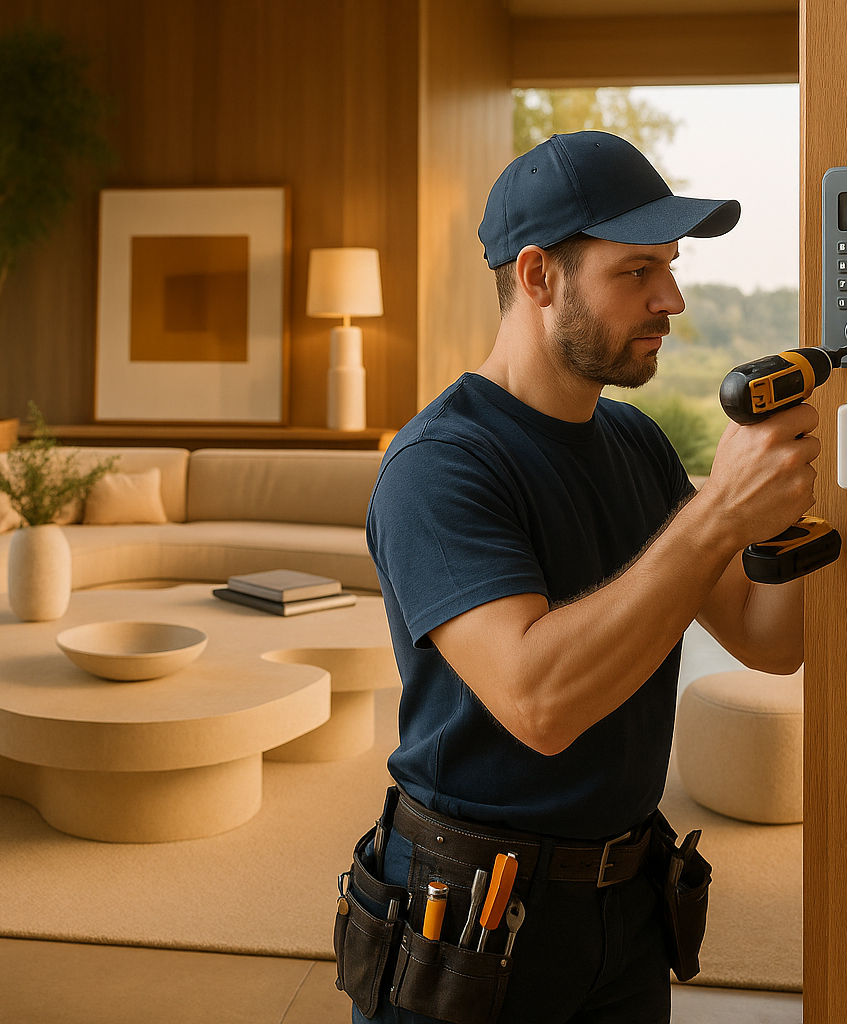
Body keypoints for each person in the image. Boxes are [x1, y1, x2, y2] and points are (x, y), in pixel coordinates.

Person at [349, 131, 818, 1024]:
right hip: (469, 925)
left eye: (669, 267)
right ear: (537, 276)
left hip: (629, 903)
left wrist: (794, 501)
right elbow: (540, 703)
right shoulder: (441, 466)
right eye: (636, 270)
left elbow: (769, 640)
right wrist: (719, 512)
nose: (671, 298)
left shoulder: (635, 444)